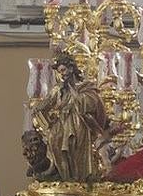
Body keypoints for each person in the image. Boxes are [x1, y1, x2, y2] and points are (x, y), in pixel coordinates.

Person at [32, 52, 109, 182]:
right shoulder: (58, 89)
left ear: (71, 68)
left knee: (75, 147)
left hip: (79, 123)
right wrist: (41, 113)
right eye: (60, 72)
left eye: (63, 70)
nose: (62, 74)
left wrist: (71, 90)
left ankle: (79, 178)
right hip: (62, 123)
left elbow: (91, 104)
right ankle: (61, 173)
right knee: (54, 140)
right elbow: (46, 103)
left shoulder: (84, 86)